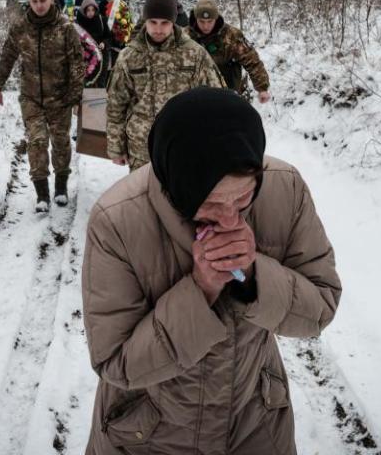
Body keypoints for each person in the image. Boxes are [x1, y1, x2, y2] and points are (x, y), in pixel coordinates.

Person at [82, 86, 342, 455]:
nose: (230, 218)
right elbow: (116, 364)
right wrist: (200, 289)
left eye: (242, 198)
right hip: (149, 436)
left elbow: (321, 307)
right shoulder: (117, 221)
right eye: (211, 204)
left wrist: (254, 275)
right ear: (178, 190)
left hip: (255, 425)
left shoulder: (285, 190)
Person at [0, 0, 86, 212]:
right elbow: (7, 57)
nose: (39, 5)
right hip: (31, 97)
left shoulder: (65, 27)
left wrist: (75, 98)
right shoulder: (20, 28)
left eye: (43, 0)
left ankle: (61, 188)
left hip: (60, 98)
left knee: (61, 142)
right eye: (34, 1)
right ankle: (42, 194)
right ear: (29, 1)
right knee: (37, 141)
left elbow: (77, 63)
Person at [106, 0, 224, 171]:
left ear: (173, 22)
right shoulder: (129, 56)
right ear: (145, 21)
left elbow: (218, 98)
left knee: (182, 198)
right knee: (143, 198)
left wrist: (215, 142)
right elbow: (116, 104)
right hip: (141, 150)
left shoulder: (194, 54)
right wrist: (116, 146)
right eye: (153, 22)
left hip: (184, 148)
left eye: (165, 23)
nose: (158, 29)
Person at [189, 0, 272, 103]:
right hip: (197, 96)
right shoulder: (186, 37)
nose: (206, 26)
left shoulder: (231, 36)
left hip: (230, 94)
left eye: (210, 21)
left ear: (216, 18)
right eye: (202, 21)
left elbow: (252, 61)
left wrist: (262, 88)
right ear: (196, 19)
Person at [77, 0, 113, 87]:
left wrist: (103, 43)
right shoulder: (79, 22)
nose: (91, 13)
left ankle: (100, 99)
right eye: (88, 10)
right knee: (87, 81)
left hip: (101, 55)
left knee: (101, 81)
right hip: (87, 57)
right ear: (84, 11)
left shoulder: (101, 20)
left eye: (93, 10)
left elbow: (108, 36)